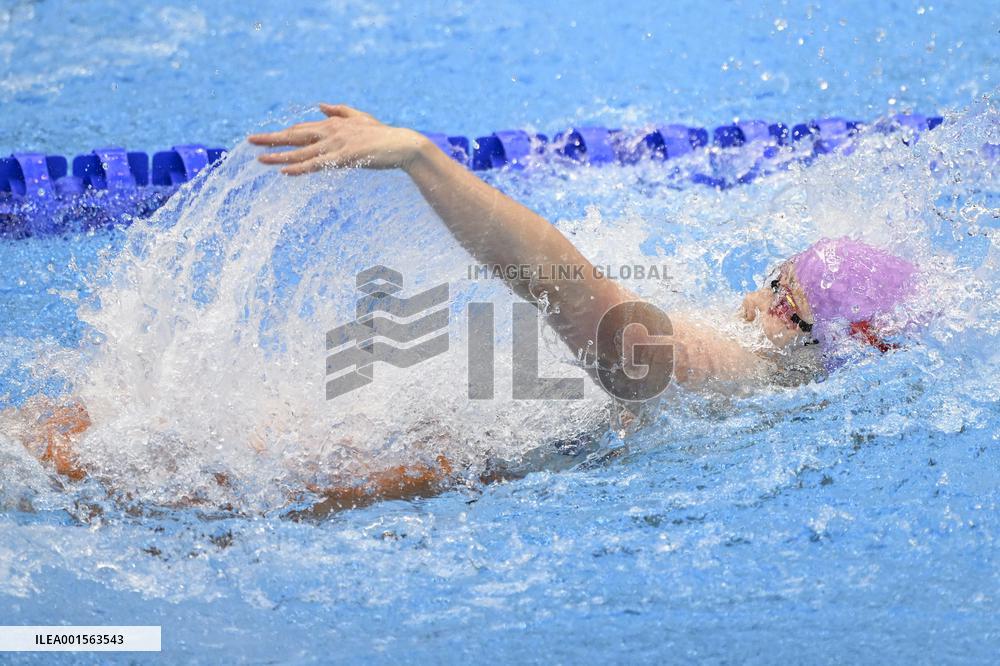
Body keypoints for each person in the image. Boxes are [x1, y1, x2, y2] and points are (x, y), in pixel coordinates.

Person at [6, 104, 918, 513]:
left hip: (415, 446)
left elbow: (578, 293)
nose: (752, 292)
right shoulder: (773, 378)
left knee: (98, 454)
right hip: (421, 414)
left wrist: (423, 161)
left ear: (803, 329)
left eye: (778, 290)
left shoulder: (728, 370)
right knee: (101, 444)